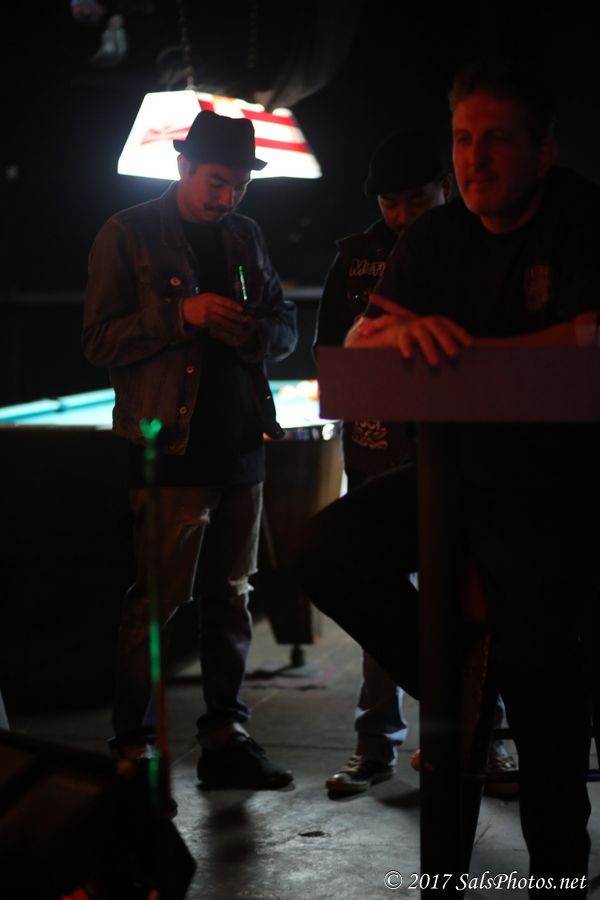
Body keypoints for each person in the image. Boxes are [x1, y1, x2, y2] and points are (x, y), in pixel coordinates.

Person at [295, 57, 600, 887]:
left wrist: (465, 356)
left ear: (543, 150)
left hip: (557, 496)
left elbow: (589, 347)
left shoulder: (580, 217)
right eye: (463, 140)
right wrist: (399, 335)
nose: (474, 159)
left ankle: (557, 877)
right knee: (320, 548)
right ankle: (453, 667)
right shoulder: (434, 237)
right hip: (454, 478)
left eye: (496, 140)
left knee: (545, 710)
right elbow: (357, 350)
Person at [82, 110, 297, 791]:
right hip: (170, 450)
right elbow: (99, 340)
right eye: (215, 182)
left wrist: (253, 333)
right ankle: (132, 748)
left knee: (231, 600)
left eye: (239, 186)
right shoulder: (127, 233)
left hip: (241, 445)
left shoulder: (245, 234)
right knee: (158, 602)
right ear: (182, 168)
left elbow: (286, 325)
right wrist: (185, 315)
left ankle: (225, 741)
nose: (227, 197)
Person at [315, 130, 452, 795]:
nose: (401, 215)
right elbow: (331, 360)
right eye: (390, 203)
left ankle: (478, 739)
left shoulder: (470, 245)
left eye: (415, 200)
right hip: (376, 448)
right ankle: (376, 745)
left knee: (467, 596)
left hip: (458, 453)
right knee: (379, 598)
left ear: (444, 189)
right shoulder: (355, 259)